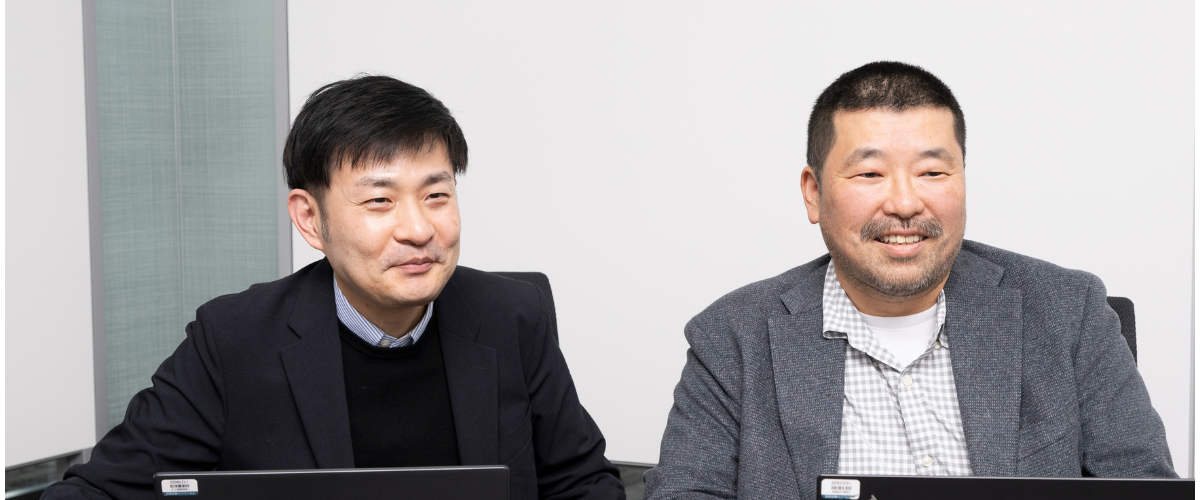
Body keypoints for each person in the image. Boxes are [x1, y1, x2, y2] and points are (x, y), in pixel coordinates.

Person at [44, 76, 625, 500]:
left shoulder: (512, 316)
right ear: (310, 219)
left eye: (436, 195)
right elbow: (97, 491)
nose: (419, 229)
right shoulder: (234, 339)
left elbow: (584, 483)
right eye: (379, 200)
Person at [643, 61, 1175, 500]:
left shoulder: (1068, 312)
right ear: (813, 192)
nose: (903, 203)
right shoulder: (731, 336)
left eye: (932, 172)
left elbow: (1144, 488)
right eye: (869, 174)